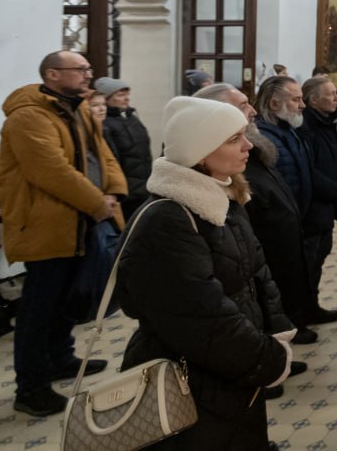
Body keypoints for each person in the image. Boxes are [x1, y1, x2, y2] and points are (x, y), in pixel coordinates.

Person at [116, 96, 294, 448]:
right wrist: (266, 358)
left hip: (230, 369)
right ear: (200, 152)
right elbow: (200, 316)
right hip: (191, 377)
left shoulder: (221, 198)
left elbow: (256, 272)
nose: (248, 146)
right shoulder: (168, 220)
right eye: (234, 139)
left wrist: (277, 331)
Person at [0, 51, 126, 416]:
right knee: (39, 308)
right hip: (46, 224)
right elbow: (50, 170)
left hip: (81, 220)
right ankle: (31, 388)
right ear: (53, 74)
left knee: (69, 299)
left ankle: (60, 358)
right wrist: (97, 203)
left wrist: (114, 191)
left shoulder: (78, 108)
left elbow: (102, 155)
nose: (88, 74)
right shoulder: (27, 116)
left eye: (89, 68)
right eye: (80, 69)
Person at [195, 83, 316, 384]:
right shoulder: (210, 176)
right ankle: (260, 370)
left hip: (267, 252)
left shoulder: (250, 151)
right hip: (251, 258)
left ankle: (271, 361)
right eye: (242, 106)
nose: (252, 111)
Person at [251, 77, 320, 344]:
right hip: (276, 224)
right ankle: (286, 331)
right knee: (281, 280)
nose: (302, 105)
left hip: (294, 217)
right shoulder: (264, 137)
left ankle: (298, 320)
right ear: (274, 103)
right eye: (296, 99)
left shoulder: (287, 130)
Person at [296, 76, 337, 323]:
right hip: (313, 206)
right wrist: (334, 189)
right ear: (314, 99)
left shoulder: (326, 122)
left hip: (326, 204)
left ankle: (311, 306)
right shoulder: (305, 127)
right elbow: (307, 169)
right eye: (331, 94)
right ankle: (302, 312)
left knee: (319, 256)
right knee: (307, 262)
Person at [96, 77, 153, 219]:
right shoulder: (104, 124)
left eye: (127, 94)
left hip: (144, 187)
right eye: (120, 95)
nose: (127, 99)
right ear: (106, 99)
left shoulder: (132, 118)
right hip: (125, 192)